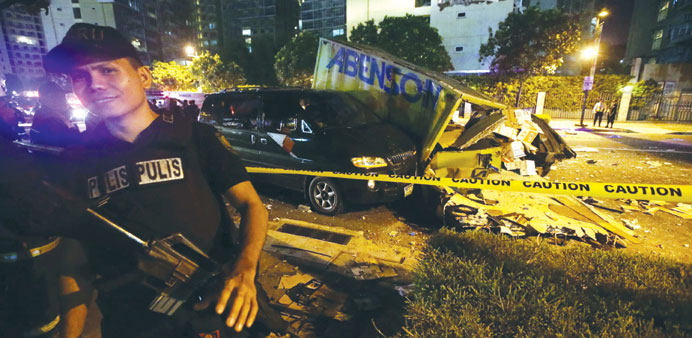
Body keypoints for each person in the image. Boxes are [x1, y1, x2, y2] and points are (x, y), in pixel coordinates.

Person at [43, 23, 271, 338]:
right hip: (133, 323)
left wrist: (245, 270)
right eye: (80, 77)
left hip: (215, 310)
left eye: (107, 70)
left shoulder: (194, 136)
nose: (94, 84)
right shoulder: (75, 160)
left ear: (144, 76)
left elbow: (251, 205)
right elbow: (73, 257)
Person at [1, 96, 64, 338]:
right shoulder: (8, 155)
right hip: (17, 262)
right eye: (5, 107)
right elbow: (36, 208)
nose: (12, 112)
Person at [31, 81, 81, 147]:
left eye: (63, 96)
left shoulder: (53, 116)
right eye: (55, 96)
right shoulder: (48, 119)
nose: (62, 99)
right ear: (43, 100)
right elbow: (71, 143)